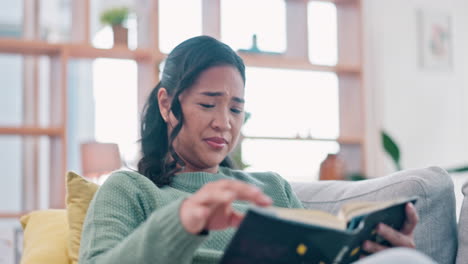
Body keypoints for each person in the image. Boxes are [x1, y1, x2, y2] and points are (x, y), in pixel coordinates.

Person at [79, 35, 436, 264]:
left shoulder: (272, 188)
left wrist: (383, 251)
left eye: (235, 109)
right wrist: (182, 222)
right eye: (208, 105)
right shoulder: (130, 190)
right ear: (167, 104)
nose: (225, 123)